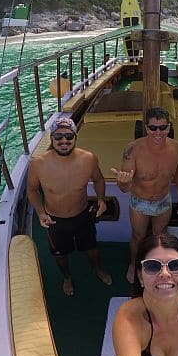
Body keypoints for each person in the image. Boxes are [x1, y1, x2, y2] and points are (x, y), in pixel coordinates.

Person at [27, 117, 112, 295]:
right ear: (51, 138)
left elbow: (98, 179)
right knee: (60, 255)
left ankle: (97, 269)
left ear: (75, 137)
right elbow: (33, 190)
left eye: (68, 136)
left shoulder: (88, 159)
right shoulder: (38, 164)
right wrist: (41, 212)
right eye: (58, 136)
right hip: (54, 221)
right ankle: (67, 278)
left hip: (83, 215)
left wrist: (101, 199)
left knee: (92, 248)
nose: (64, 141)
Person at [111, 107, 178, 284]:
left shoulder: (177, 148)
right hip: (140, 202)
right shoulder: (133, 149)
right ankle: (134, 264)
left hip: (164, 200)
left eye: (162, 127)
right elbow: (124, 187)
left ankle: (156, 266)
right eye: (153, 127)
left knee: (159, 236)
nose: (158, 132)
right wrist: (123, 182)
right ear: (146, 128)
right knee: (138, 236)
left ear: (169, 127)